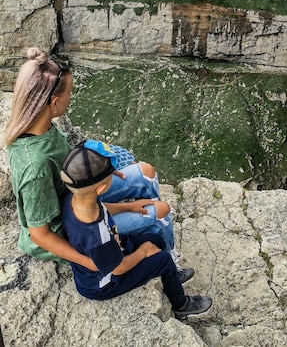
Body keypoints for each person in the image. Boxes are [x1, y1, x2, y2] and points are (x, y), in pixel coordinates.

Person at [4, 48, 185, 273]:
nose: (72, 96)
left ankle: (145, 234)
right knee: (160, 215)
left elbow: (69, 157)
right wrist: (91, 262)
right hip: (73, 227)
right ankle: (168, 264)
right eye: (70, 92)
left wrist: (102, 169)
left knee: (145, 174)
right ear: (54, 103)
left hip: (80, 191)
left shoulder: (40, 126)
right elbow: (40, 234)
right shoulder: (35, 167)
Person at [60, 141, 212, 319]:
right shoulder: (96, 234)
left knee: (156, 240)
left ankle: (169, 275)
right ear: (101, 188)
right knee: (162, 259)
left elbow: (101, 207)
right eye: (110, 176)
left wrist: (130, 207)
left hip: (110, 253)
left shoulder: (76, 199)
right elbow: (117, 269)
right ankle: (182, 304)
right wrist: (142, 252)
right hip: (103, 283)